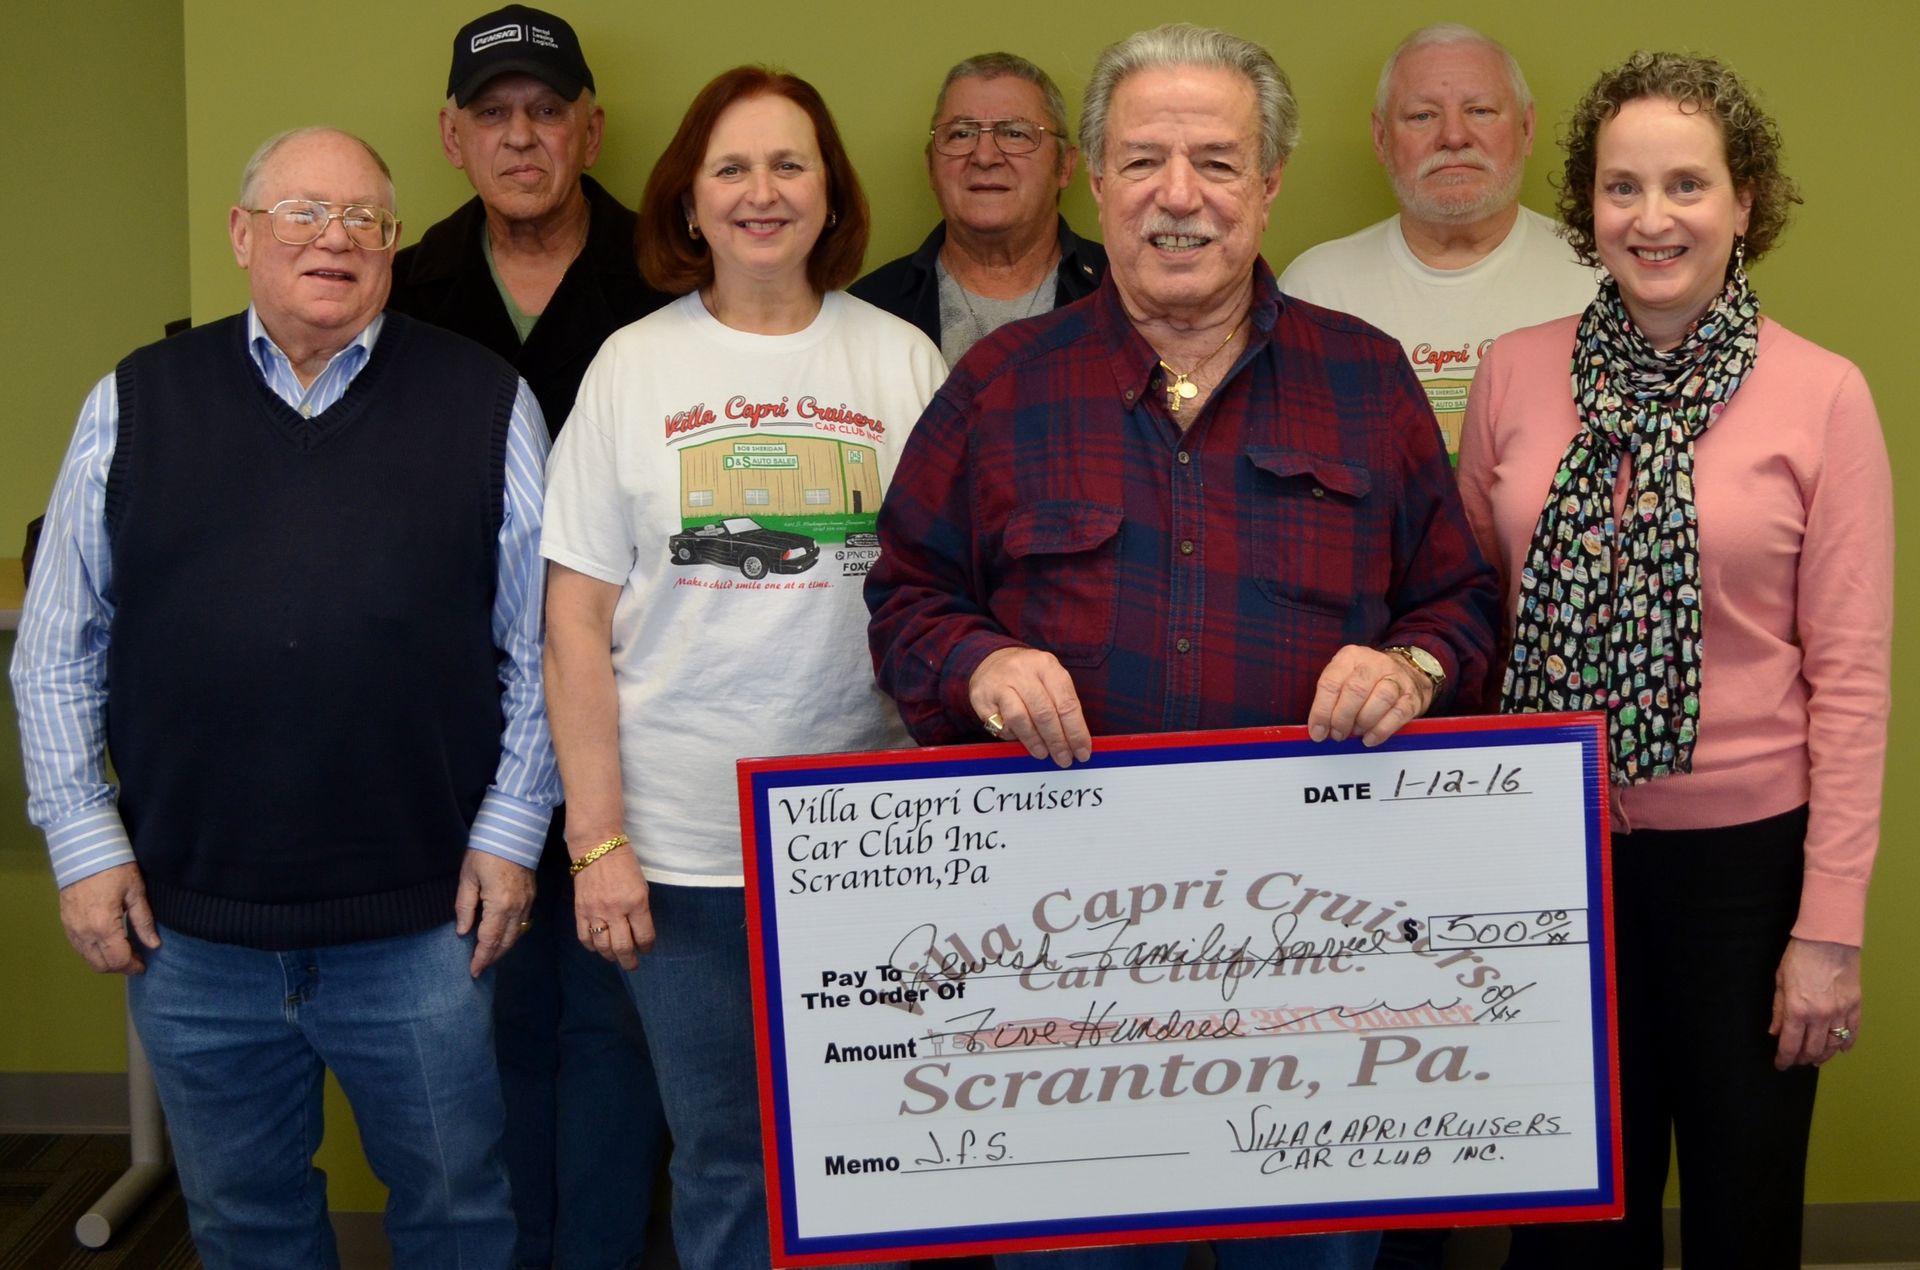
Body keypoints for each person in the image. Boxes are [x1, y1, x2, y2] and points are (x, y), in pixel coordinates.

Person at [866, 24, 1499, 1269]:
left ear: (1269, 187)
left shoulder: (1366, 382)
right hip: (1058, 971)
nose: (1179, 195)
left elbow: (1462, 603)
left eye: (1217, 161)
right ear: (1095, 186)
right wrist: (980, 663)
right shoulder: (1000, 385)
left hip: (1318, 960)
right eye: (1144, 160)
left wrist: (1413, 669)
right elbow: (906, 596)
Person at [11, 126, 556, 1268]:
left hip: (422, 927)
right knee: (247, 1223)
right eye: (304, 212)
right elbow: (58, 645)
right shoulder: (135, 400)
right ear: (243, 233)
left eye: (364, 218)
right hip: (191, 928)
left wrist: (511, 837)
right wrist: (81, 839)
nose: (336, 239)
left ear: (395, 246)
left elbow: (544, 648)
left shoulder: (485, 401)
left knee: (460, 1215)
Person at [1456, 52, 1890, 1269]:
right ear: (1589, 208)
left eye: (1688, 185)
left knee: (1746, 1210)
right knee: (1574, 1222)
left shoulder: (1823, 396)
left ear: (1746, 201)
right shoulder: (1514, 372)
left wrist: (1829, 928)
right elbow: (1467, 621)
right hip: (1546, 852)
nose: (1654, 219)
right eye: (1622, 187)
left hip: (1746, 877)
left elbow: (1851, 683)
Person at [540, 65, 945, 1269]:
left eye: (788, 165)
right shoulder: (630, 368)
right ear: (689, 200)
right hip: (682, 850)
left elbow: (948, 601)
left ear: (830, 192)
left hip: (867, 837)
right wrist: (598, 840)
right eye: (732, 167)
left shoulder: (900, 361)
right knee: (724, 1155)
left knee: (882, 1148)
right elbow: (573, 621)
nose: (761, 192)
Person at [387, 9, 671, 1266]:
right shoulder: (403, 287)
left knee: (614, 1021)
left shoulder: (669, 276)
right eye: (492, 113)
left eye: (545, 112)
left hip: (633, 715)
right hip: (458, 728)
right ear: (452, 136)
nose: (520, 136)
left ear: (590, 129)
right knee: (475, 1017)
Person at [1278, 24, 1592, 457]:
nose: (1454, 136)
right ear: (1381, 138)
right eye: (1422, 115)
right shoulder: (1316, 291)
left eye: (1480, 110)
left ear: (1527, 127)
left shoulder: (1597, 277)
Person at [850, 51, 1106, 365]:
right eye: (961, 134)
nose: (985, 156)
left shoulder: (1125, 292)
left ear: (1064, 166)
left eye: (1015, 133)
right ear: (931, 166)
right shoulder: (868, 308)